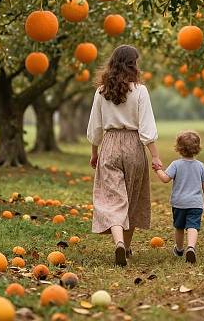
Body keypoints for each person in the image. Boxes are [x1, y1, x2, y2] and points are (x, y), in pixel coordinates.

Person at [87, 45, 163, 266]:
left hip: (109, 145)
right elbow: (147, 127)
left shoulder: (101, 91)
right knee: (132, 198)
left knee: (112, 198)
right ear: (133, 64)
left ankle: (119, 242)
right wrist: (155, 157)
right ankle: (126, 247)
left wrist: (95, 152)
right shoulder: (140, 91)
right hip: (133, 146)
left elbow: (95, 127)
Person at [154, 130, 204, 264]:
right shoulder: (200, 166)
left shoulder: (176, 164)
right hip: (196, 203)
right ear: (197, 149)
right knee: (193, 226)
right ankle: (190, 247)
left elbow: (165, 179)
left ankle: (179, 249)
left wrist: (158, 169)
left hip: (179, 203)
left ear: (179, 148)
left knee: (179, 227)